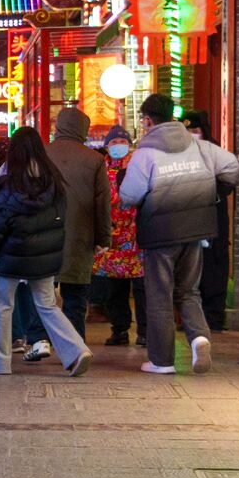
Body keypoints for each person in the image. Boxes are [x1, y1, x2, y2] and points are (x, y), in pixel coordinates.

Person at [120, 94, 238, 374]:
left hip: (160, 236)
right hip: (196, 231)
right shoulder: (200, 147)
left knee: (160, 294)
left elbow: (129, 195)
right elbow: (232, 166)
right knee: (189, 291)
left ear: (147, 120)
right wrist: (213, 191)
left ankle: (162, 361)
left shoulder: (145, 154)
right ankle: (199, 337)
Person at [0, 127, 93, 377]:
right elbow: (61, 219)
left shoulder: (7, 183)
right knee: (48, 304)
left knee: (4, 305)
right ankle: (76, 350)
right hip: (45, 256)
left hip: (11, 256)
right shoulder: (54, 181)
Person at [46, 105, 113, 342]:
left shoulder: (42, 153)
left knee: (41, 293)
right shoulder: (94, 159)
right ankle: (74, 345)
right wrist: (104, 239)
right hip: (79, 235)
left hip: (43, 236)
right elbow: (102, 204)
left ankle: (40, 340)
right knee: (75, 296)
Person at [94, 125, 146, 348]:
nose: (118, 146)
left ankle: (144, 331)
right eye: (114, 143)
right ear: (107, 146)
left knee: (142, 286)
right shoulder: (100, 169)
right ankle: (120, 329)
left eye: (122, 142)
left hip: (136, 234)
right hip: (111, 236)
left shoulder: (137, 165)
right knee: (115, 288)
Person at [185, 112, 232, 332]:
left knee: (213, 268)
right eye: (187, 132)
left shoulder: (218, 154)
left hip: (213, 221)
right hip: (189, 223)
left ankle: (214, 318)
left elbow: (227, 184)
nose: (192, 136)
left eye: (195, 131)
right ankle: (192, 319)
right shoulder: (179, 155)